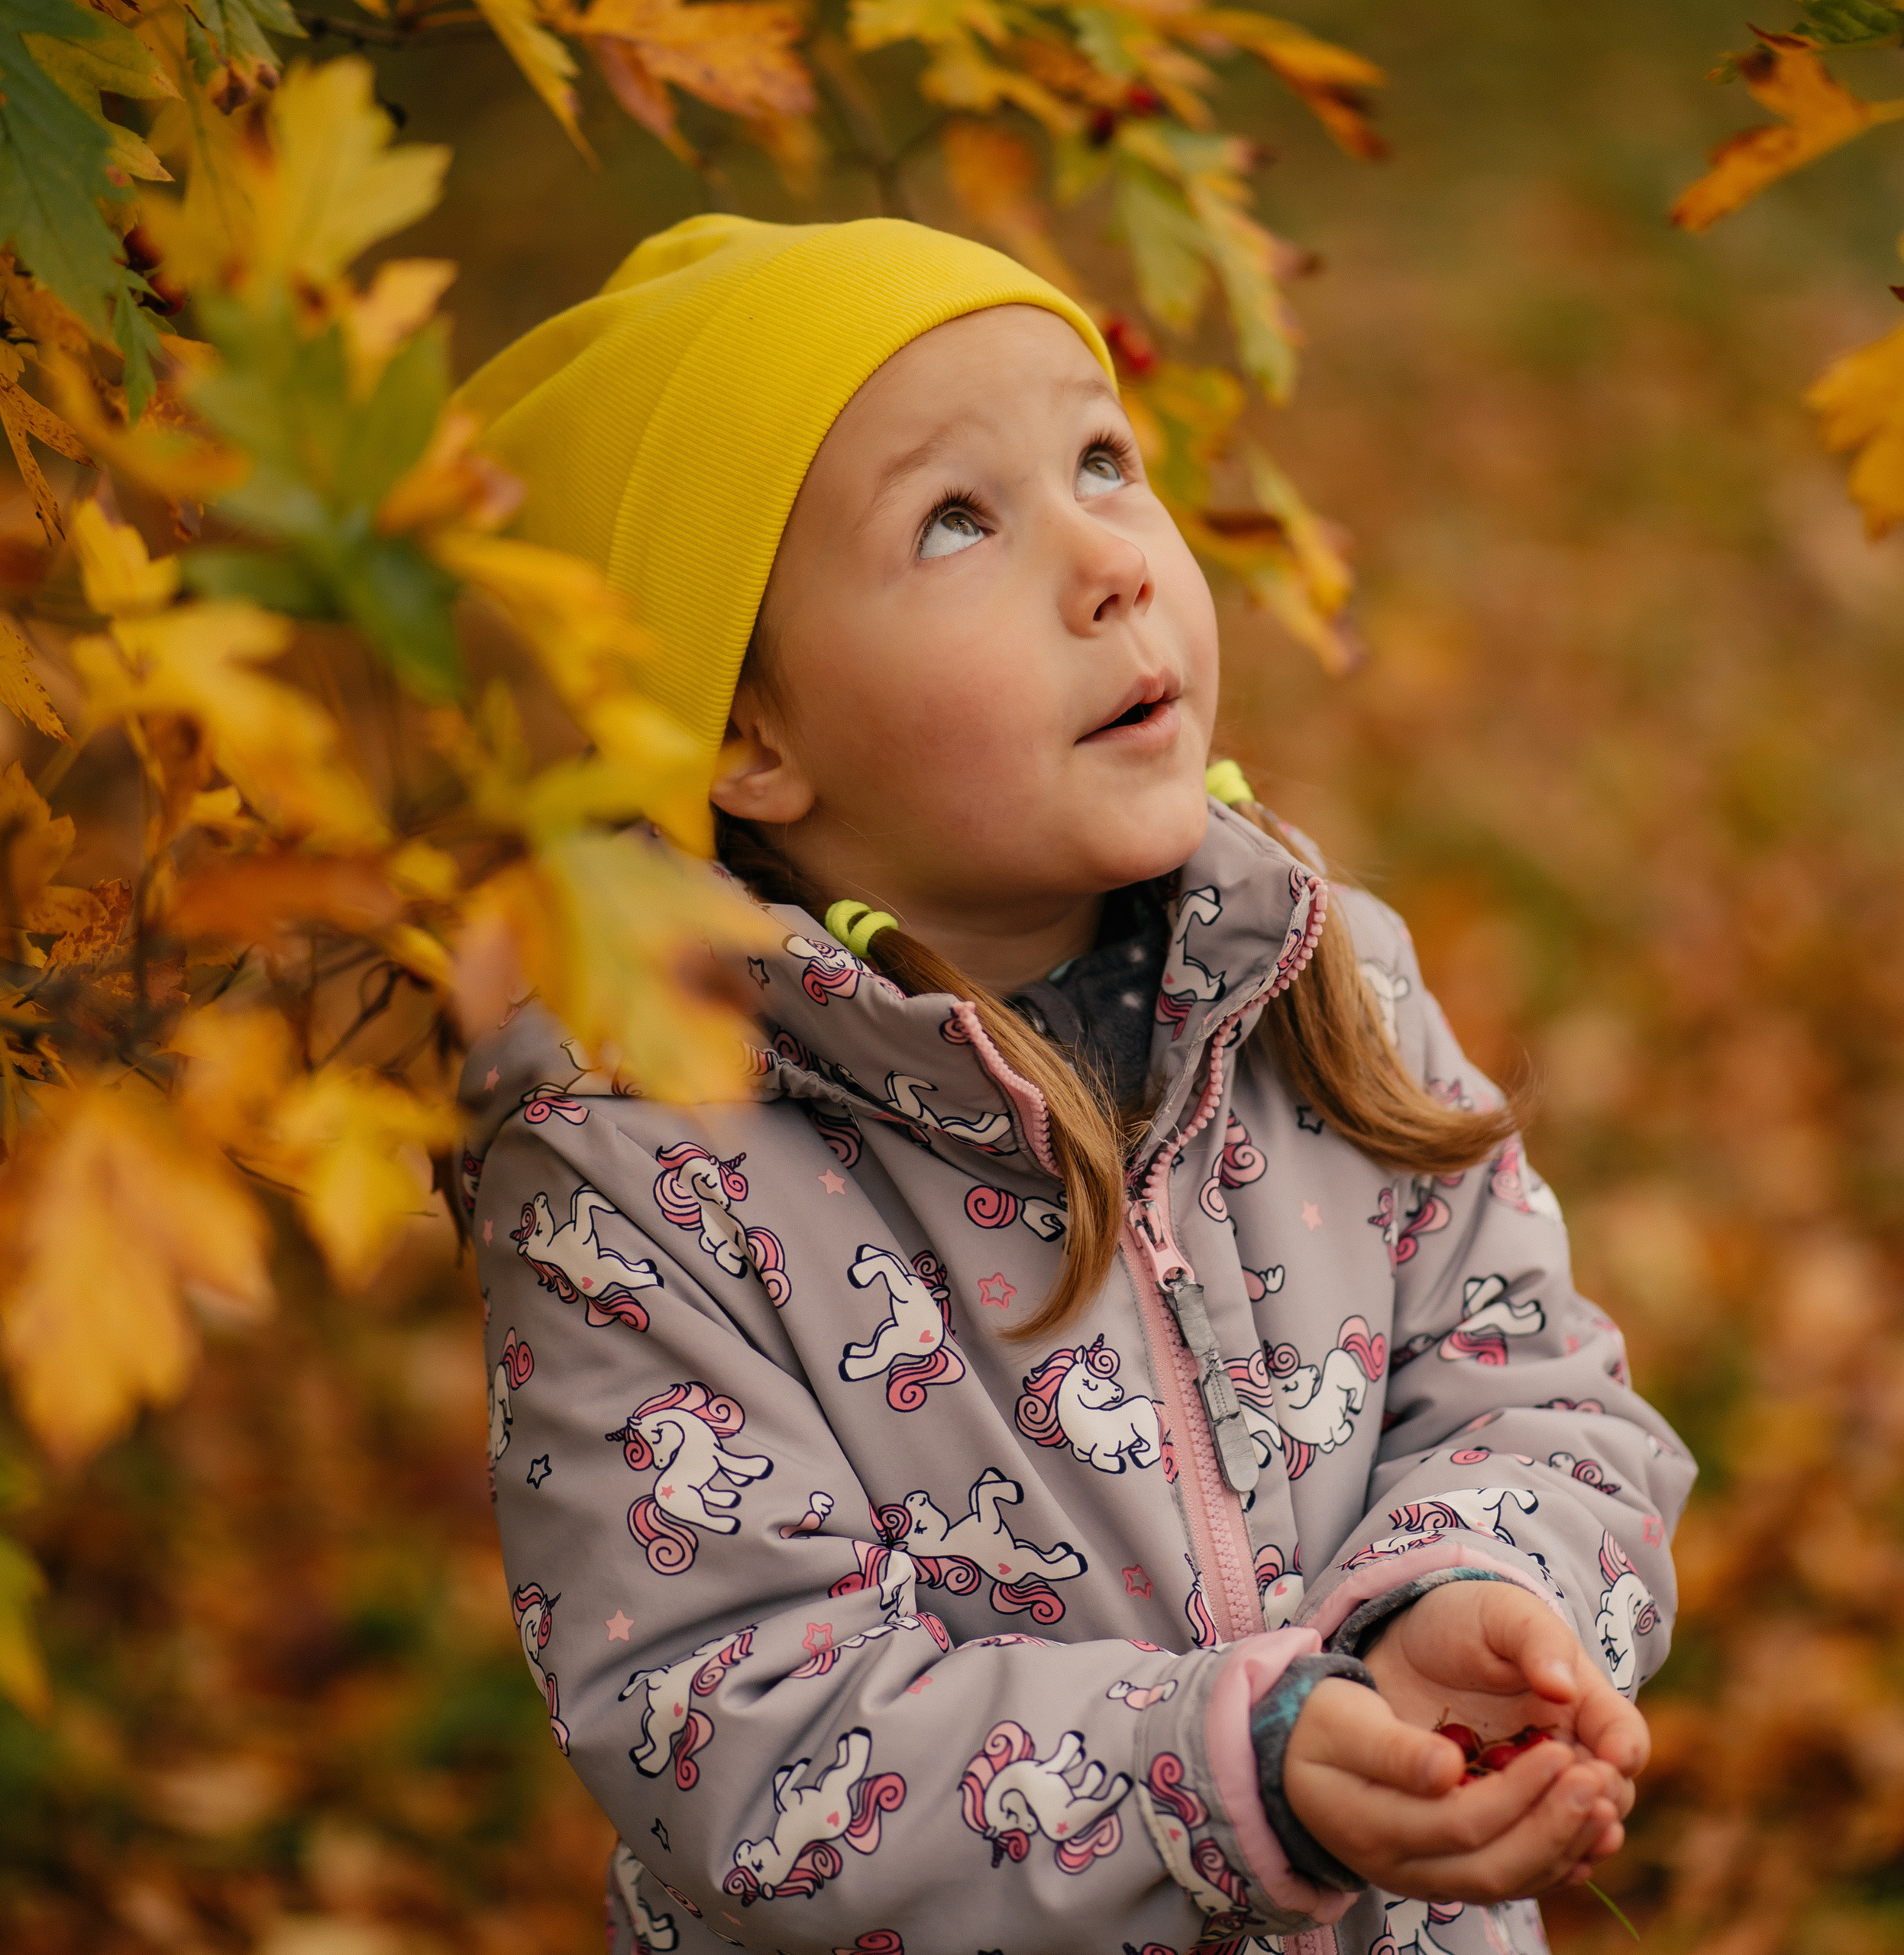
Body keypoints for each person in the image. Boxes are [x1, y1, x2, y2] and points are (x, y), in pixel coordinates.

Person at [454, 215, 1695, 1955]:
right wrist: (1234, 1774)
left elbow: (1543, 1398)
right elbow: (735, 1721)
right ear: (745, 734)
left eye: (1101, 458)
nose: (1108, 557)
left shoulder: (1320, 978)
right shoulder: (645, 1166)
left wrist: (1470, 1592)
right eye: (954, 518)